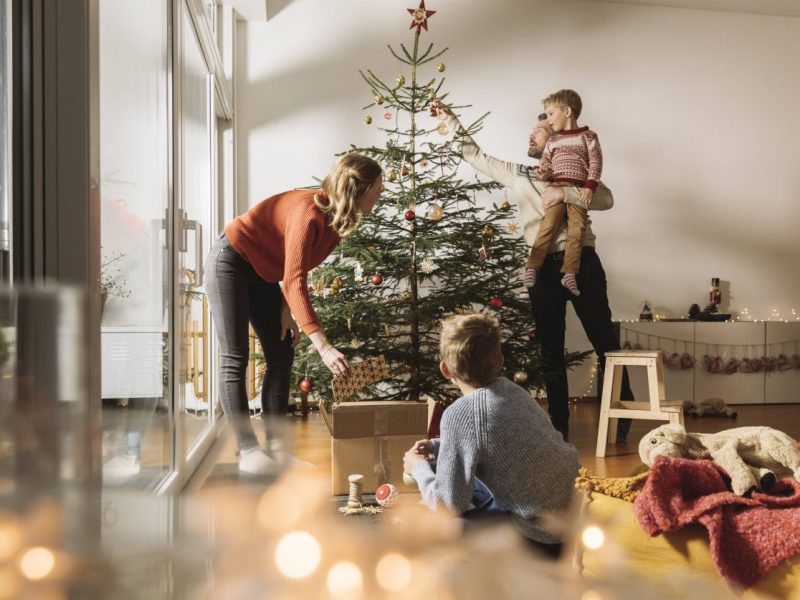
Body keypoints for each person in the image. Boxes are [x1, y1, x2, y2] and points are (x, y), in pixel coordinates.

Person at [429, 101, 632, 442]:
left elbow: (606, 199)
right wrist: (450, 119)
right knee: (550, 348)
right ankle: (559, 427)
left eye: (539, 132)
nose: (531, 136)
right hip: (541, 268)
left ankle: (623, 417)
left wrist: (565, 191)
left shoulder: (580, 176)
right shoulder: (519, 173)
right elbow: (476, 155)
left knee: (605, 342)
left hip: (581, 261)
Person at [204, 153, 383, 474]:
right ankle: (247, 451)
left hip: (262, 275)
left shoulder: (337, 222)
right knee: (235, 357)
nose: (381, 193)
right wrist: (323, 347)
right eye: (378, 188)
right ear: (361, 189)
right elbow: (294, 280)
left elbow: (297, 267)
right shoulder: (309, 212)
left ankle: (276, 450)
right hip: (231, 261)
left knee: (281, 351)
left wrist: (287, 311)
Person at [403, 313, 579, 558]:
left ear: (445, 369)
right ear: (500, 362)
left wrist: (418, 468)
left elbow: (449, 506)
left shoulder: (459, 414)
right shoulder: (514, 391)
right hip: (576, 520)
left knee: (437, 525)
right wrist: (438, 446)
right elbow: (498, 441)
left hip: (542, 537)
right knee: (472, 482)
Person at [526, 89, 602, 297]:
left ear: (567, 111)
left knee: (577, 229)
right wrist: (544, 172)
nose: (549, 119)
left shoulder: (588, 136)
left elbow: (596, 162)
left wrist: (589, 187)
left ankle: (569, 273)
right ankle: (532, 267)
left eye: (551, 114)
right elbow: (546, 161)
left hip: (578, 190)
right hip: (556, 186)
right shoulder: (553, 141)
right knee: (548, 225)